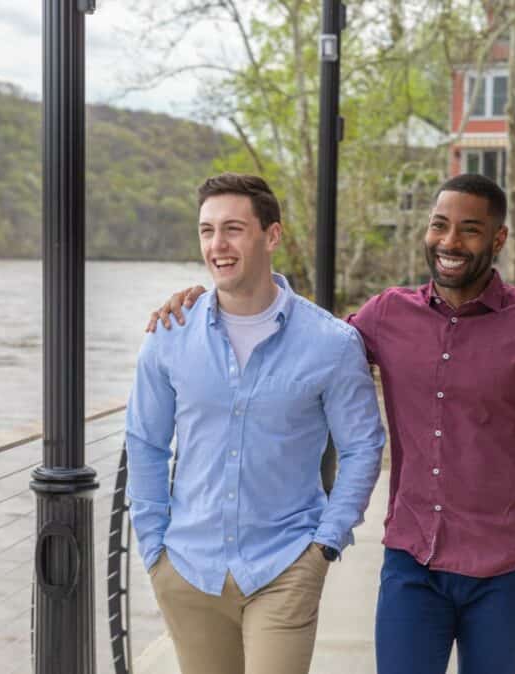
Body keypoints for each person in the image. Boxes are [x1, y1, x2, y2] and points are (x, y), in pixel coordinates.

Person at [146, 173, 515, 674]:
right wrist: (203, 301)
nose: (449, 241)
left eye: (469, 230)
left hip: (504, 569)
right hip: (412, 564)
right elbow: (303, 342)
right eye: (439, 225)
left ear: (498, 239)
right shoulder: (386, 316)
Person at [126, 172, 386, 674]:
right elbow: (145, 442)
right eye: (206, 230)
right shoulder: (169, 335)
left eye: (233, 229)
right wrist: (154, 546)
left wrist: (325, 542)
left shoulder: (330, 343)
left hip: (285, 564)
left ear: (272, 236)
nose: (217, 245)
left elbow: (362, 446)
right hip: (187, 569)